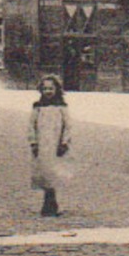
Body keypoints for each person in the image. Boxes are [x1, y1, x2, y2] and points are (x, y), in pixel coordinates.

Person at [28, 75, 73, 216]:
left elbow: (68, 126)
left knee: (54, 174)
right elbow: (31, 126)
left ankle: (52, 204)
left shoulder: (61, 107)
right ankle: (48, 203)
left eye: (51, 88)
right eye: (45, 88)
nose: (48, 91)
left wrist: (64, 143)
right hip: (42, 146)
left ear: (57, 90)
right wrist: (33, 142)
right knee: (44, 174)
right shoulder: (37, 107)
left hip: (56, 145)